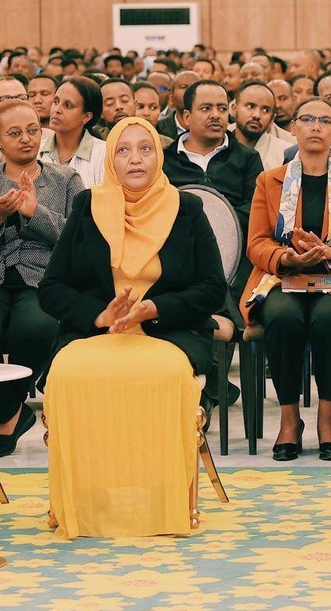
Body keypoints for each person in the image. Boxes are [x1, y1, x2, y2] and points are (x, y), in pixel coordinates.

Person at [38, 118, 227, 538]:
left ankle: (164, 497)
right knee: (68, 373)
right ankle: (83, 498)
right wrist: (99, 316)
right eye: (123, 150)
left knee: (165, 375)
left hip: (168, 333)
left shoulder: (186, 209)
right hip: (96, 334)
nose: (135, 159)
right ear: (110, 159)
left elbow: (213, 288)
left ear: (158, 156)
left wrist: (153, 309)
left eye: (145, 149)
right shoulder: (88, 206)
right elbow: (51, 288)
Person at [244, 95, 331, 461]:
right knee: (283, 316)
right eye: (307, 119)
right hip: (285, 277)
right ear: (293, 128)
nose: (316, 127)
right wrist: (287, 257)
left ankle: (326, 414)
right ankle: (289, 418)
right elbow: (256, 242)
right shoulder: (269, 180)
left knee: (329, 318)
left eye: (325, 121)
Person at [0, 102, 78, 457]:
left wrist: (35, 212)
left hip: (43, 277)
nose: (26, 138)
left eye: (32, 130)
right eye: (14, 133)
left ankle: (6, 417)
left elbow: (77, 239)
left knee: (33, 329)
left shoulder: (65, 179)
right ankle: (11, 412)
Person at [162, 78, 259, 216]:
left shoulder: (248, 158)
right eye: (206, 108)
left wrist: (221, 219)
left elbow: (255, 209)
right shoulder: (165, 160)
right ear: (187, 117)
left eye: (222, 109)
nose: (215, 115)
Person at [41, 77, 106, 185]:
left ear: (86, 117)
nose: (57, 110)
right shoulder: (37, 151)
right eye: (56, 102)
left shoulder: (104, 153)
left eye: (68, 105)